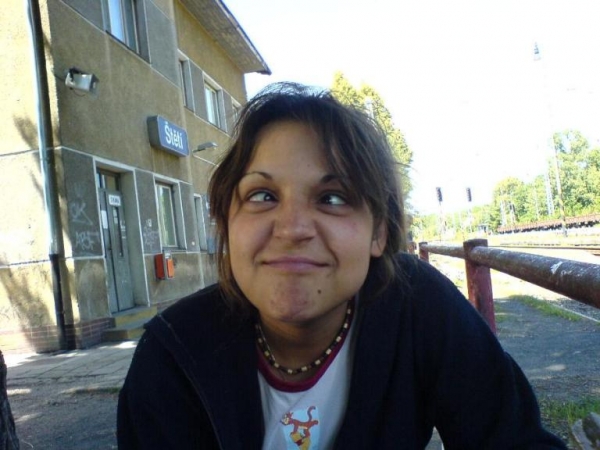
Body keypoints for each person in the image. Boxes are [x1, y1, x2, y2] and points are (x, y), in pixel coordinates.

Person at [117, 83, 565, 449]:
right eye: (262, 196)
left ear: (378, 233)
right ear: (226, 223)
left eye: (332, 198)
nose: (292, 228)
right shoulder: (172, 357)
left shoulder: (418, 306)